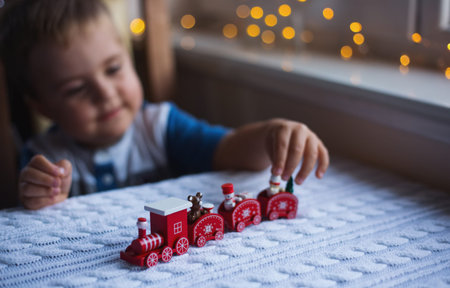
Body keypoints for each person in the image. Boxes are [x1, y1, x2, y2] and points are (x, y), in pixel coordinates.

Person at [0, 0, 329, 210]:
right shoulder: (45, 157)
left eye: (114, 69)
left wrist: (273, 134)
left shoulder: (160, 127)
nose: (106, 93)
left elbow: (231, 149)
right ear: (42, 106)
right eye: (75, 89)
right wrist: (44, 195)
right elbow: (34, 225)